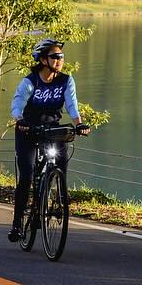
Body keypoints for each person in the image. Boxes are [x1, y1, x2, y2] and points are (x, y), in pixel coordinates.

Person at [8, 38, 90, 242]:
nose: (59, 60)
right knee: (27, 176)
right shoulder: (31, 81)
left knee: (60, 163)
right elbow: (18, 102)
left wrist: (79, 123)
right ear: (43, 59)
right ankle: (17, 224)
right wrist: (19, 119)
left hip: (52, 129)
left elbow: (72, 104)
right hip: (28, 129)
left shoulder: (66, 80)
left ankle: (60, 195)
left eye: (61, 57)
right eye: (55, 57)